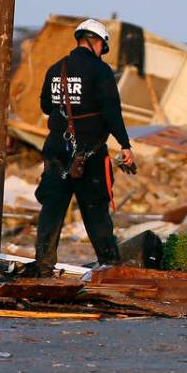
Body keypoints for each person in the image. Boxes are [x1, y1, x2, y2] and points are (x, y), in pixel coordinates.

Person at [32, 19, 136, 277]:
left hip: (57, 148)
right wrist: (125, 145)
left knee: (52, 208)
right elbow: (112, 112)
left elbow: (46, 106)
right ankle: (110, 266)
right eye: (103, 46)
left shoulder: (56, 69)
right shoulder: (100, 71)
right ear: (98, 42)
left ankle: (43, 267)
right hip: (89, 150)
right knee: (95, 209)